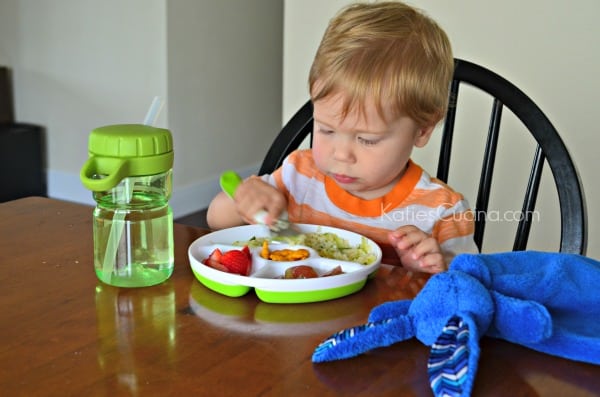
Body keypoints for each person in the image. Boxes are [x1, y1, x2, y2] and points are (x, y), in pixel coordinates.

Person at [207, 1, 478, 273]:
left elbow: (468, 290)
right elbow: (216, 222)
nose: (341, 154)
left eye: (367, 139)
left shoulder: (442, 212)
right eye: (326, 129)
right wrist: (242, 199)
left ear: (423, 129)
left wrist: (426, 272)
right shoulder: (298, 176)